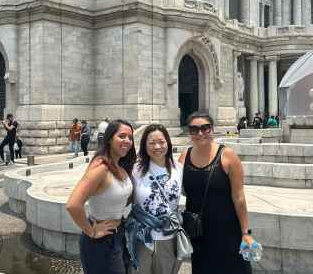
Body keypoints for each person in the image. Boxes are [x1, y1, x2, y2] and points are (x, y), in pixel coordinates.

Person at [179, 112, 254, 274]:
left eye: (205, 128)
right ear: (189, 132)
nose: (200, 133)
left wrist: (246, 233)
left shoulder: (227, 155)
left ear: (212, 129)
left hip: (227, 230)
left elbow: (239, 197)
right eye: (194, 129)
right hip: (199, 231)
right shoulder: (184, 156)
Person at [66, 119, 136, 274]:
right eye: (122, 136)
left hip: (118, 235)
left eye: (130, 137)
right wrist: (91, 231)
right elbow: (73, 204)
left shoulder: (119, 165)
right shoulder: (101, 168)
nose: (127, 141)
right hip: (101, 241)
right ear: (110, 138)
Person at [126, 124, 183, 274]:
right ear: (144, 146)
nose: (157, 146)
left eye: (161, 142)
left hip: (168, 237)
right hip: (142, 237)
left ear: (168, 143)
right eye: (151, 143)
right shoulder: (135, 169)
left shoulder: (178, 168)